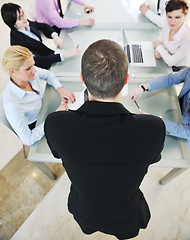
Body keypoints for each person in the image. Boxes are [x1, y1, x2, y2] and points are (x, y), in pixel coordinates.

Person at [44, 39, 165, 240]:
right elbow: (154, 158)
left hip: (84, 211)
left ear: (82, 79)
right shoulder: (153, 128)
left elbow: (57, 152)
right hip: (127, 216)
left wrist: (58, 118)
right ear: (126, 81)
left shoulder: (56, 124)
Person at [1, 45, 75, 146]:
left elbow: (48, 75)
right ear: (12, 71)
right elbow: (28, 140)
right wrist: (52, 118)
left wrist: (60, 89)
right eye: (28, 68)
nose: (34, 71)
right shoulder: (12, 104)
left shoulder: (30, 72)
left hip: (45, 109)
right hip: (38, 125)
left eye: (33, 65)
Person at [1, 3, 81, 70]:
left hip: (46, 52)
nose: (25, 18)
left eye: (23, 14)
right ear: (13, 24)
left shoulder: (26, 23)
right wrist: (63, 55)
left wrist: (55, 36)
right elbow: (39, 61)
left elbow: (44, 26)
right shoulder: (17, 43)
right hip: (42, 64)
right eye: (19, 18)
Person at [130, 67, 190, 149]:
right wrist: (144, 87)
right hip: (177, 111)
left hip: (182, 137)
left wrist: (158, 121)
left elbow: (187, 132)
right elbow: (170, 78)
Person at [154, 0, 190, 71]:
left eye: (177, 17)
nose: (172, 22)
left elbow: (170, 62)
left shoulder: (187, 38)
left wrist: (159, 48)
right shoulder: (167, 23)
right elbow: (160, 38)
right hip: (166, 63)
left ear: (185, 16)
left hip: (181, 69)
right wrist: (158, 50)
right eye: (169, 17)